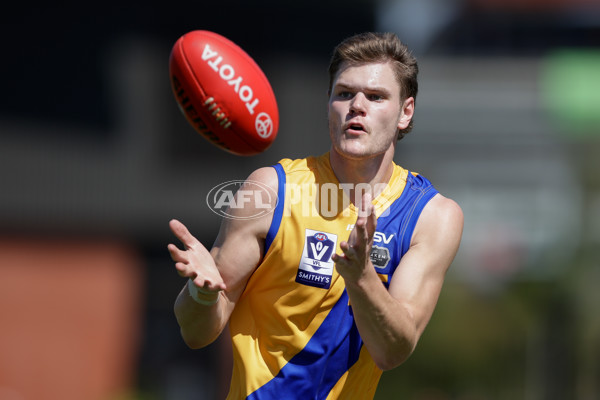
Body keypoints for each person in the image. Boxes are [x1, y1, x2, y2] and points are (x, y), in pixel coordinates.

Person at [168, 32, 464, 399]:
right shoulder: (272, 191)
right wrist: (201, 295)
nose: (356, 106)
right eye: (343, 93)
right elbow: (197, 334)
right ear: (329, 103)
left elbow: (393, 351)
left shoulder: (431, 217)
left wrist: (361, 277)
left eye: (375, 97)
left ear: (406, 112)